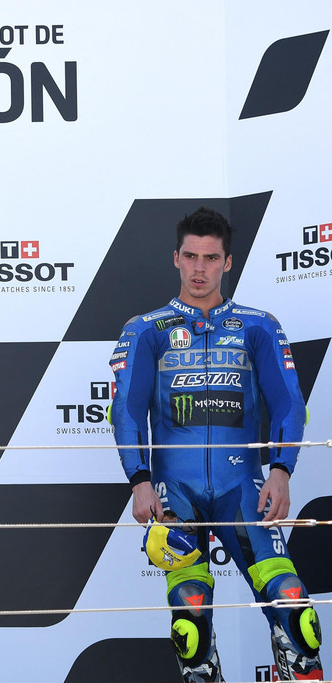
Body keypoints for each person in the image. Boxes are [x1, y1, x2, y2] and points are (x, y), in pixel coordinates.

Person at [109, 207, 322, 681]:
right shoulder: (146, 329)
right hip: (174, 492)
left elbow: (289, 404)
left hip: (243, 488)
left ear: (227, 262)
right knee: (191, 623)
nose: (199, 268)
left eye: (210, 258)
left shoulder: (258, 325)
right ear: (176, 258)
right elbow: (126, 411)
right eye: (191, 256)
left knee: (294, 609)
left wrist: (282, 470)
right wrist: (139, 481)